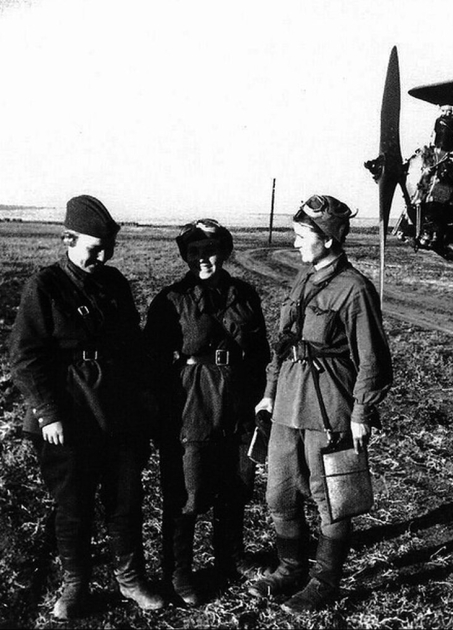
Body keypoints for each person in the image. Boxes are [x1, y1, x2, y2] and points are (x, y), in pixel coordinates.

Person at [8, 195, 165, 620]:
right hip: (69, 413)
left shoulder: (114, 283)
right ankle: (75, 584)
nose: (103, 256)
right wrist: (48, 414)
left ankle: (131, 580)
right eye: (94, 248)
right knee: (73, 505)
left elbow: (133, 347)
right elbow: (25, 357)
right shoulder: (45, 286)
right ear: (68, 239)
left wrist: (143, 403)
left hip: (118, 411)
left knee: (126, 501)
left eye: (107, 248)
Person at [248, 194, 393, 613]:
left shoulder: (355, 290)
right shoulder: (305, 279)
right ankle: (290, 568)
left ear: (328, 240)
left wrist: (362, 412)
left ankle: (325, 580)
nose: (295, 243)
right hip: (288, 404)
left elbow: (373, 359)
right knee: (279, 494)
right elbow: (284, 344)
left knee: (330, 495)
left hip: (329, 404)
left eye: (301, 236)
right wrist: (270, 393)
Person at [143, 219, 270, 606]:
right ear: (185, 256)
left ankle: (231, 558)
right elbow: (150, 361)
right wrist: (162, 409)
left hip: (237, 396)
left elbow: (261, 352)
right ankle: (178, 571)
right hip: (191, 400)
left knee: (235, 480)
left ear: (225, 251)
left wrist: (262, 398)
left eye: (210, 250)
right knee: (185, 488)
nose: (202, 259)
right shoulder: (172, 300)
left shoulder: (244, 294)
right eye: (194, 251)